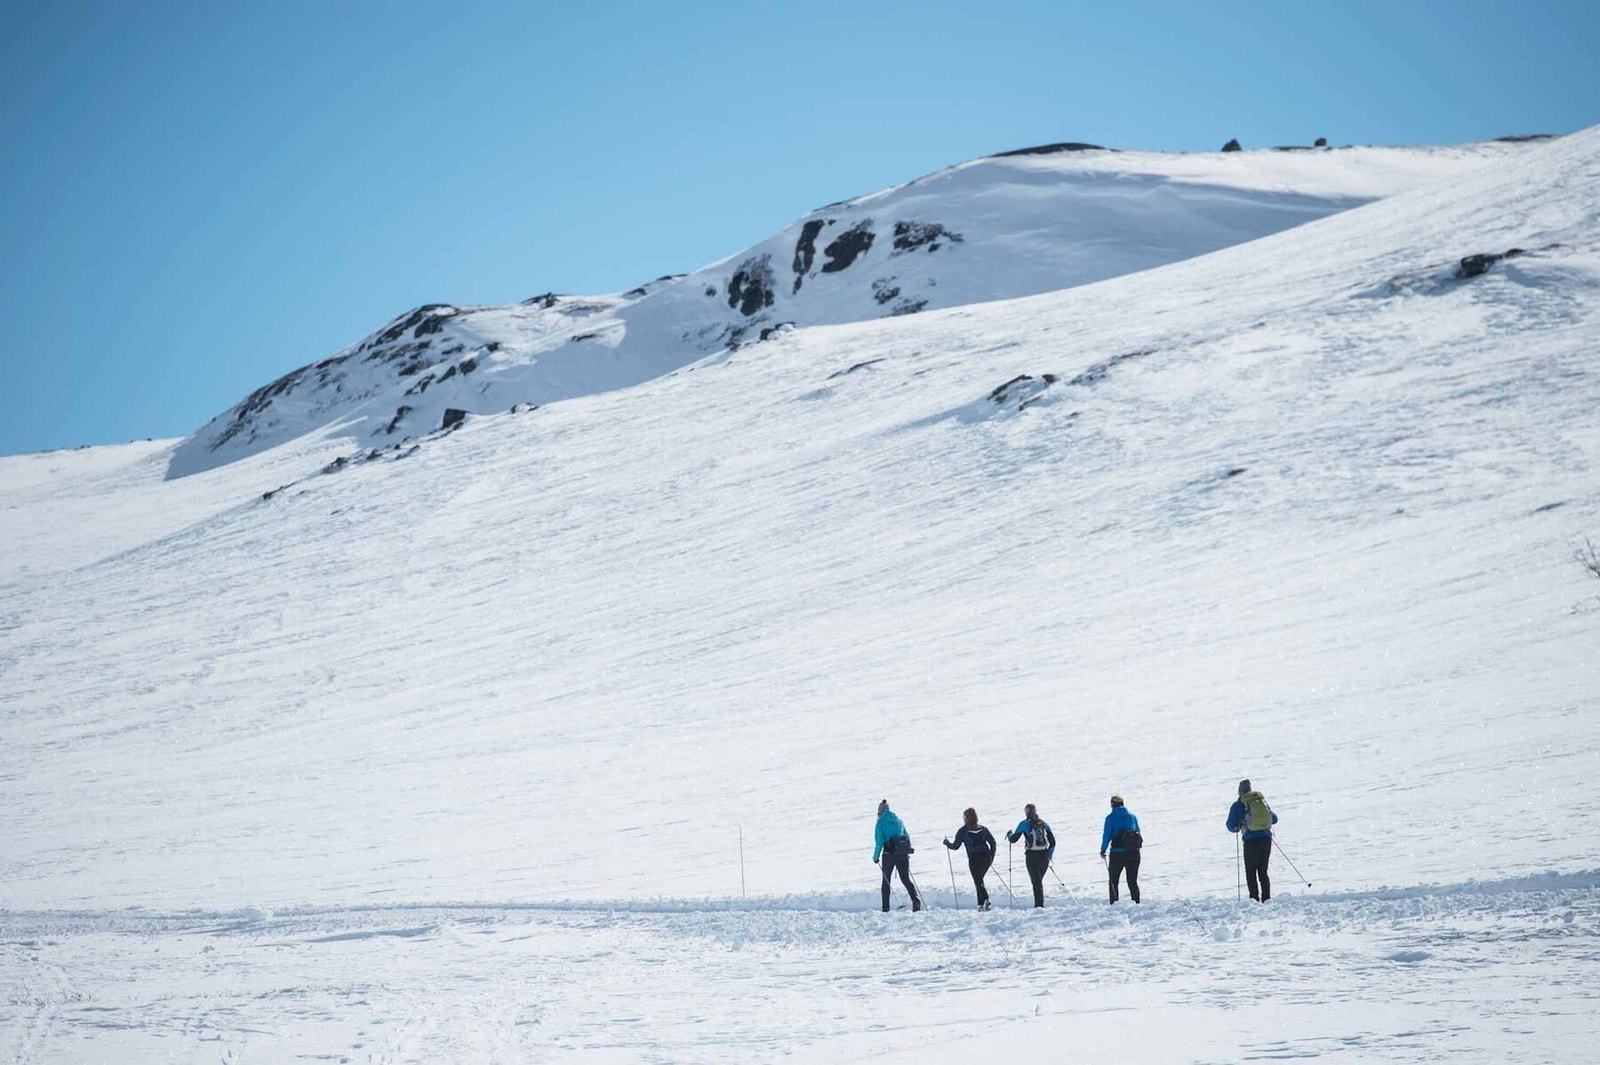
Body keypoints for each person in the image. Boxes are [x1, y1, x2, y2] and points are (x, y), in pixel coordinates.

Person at [1226, 779, 1279, 902]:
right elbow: (1274, 819)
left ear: (1240, 791)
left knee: (1251, 872)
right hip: (1266, 839)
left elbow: (1230, 825)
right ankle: (1266, 898)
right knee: (1263, 871)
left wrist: (1238, 827)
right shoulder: (1260, 801)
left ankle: (1254, 899)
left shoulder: (1238, 805)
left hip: (1251, 842)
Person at [873, 799, 923, 912]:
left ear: (880, 811)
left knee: (886, 881)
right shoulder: (898, 821)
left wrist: (875, 857)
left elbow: (879, 842)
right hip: (902, 854)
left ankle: (885, 907)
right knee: (906, 879)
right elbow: (906, 835)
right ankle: (916, 901)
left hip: (888, 855)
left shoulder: (880, 823)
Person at [944, 808, 997, 910]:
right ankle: (980, 905)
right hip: (986, 858)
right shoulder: (983, 829)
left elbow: (955, 846)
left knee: (978, 880)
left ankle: (986, 900)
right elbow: (993, 842)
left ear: (966, 818)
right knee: (979, 880)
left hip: (974, 858)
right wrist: (992, 856)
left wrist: (947, 843)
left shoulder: (963, 831)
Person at [1005, 803, 1055, 907]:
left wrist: (1009, 835)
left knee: (1036, 882)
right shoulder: (1044, 824)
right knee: (1038, 881)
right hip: (1044, 855)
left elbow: (1014, 840)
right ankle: (1039, 905)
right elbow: (1053, 842)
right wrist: (1049, 856)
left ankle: (1039, 907)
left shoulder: (1024, 824)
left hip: (1032, 856)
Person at [1099, 794, 1142, 904]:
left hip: (1118, 853)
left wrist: (1103, 850)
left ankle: (1114, 903)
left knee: (1113, 880)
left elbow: (1107, 835)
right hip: (1134, 852)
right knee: (1132, 880)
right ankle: (1136, 902)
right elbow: (1137, 830)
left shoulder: (1110, 818)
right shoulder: (1132, 816)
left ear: (1112, 805)